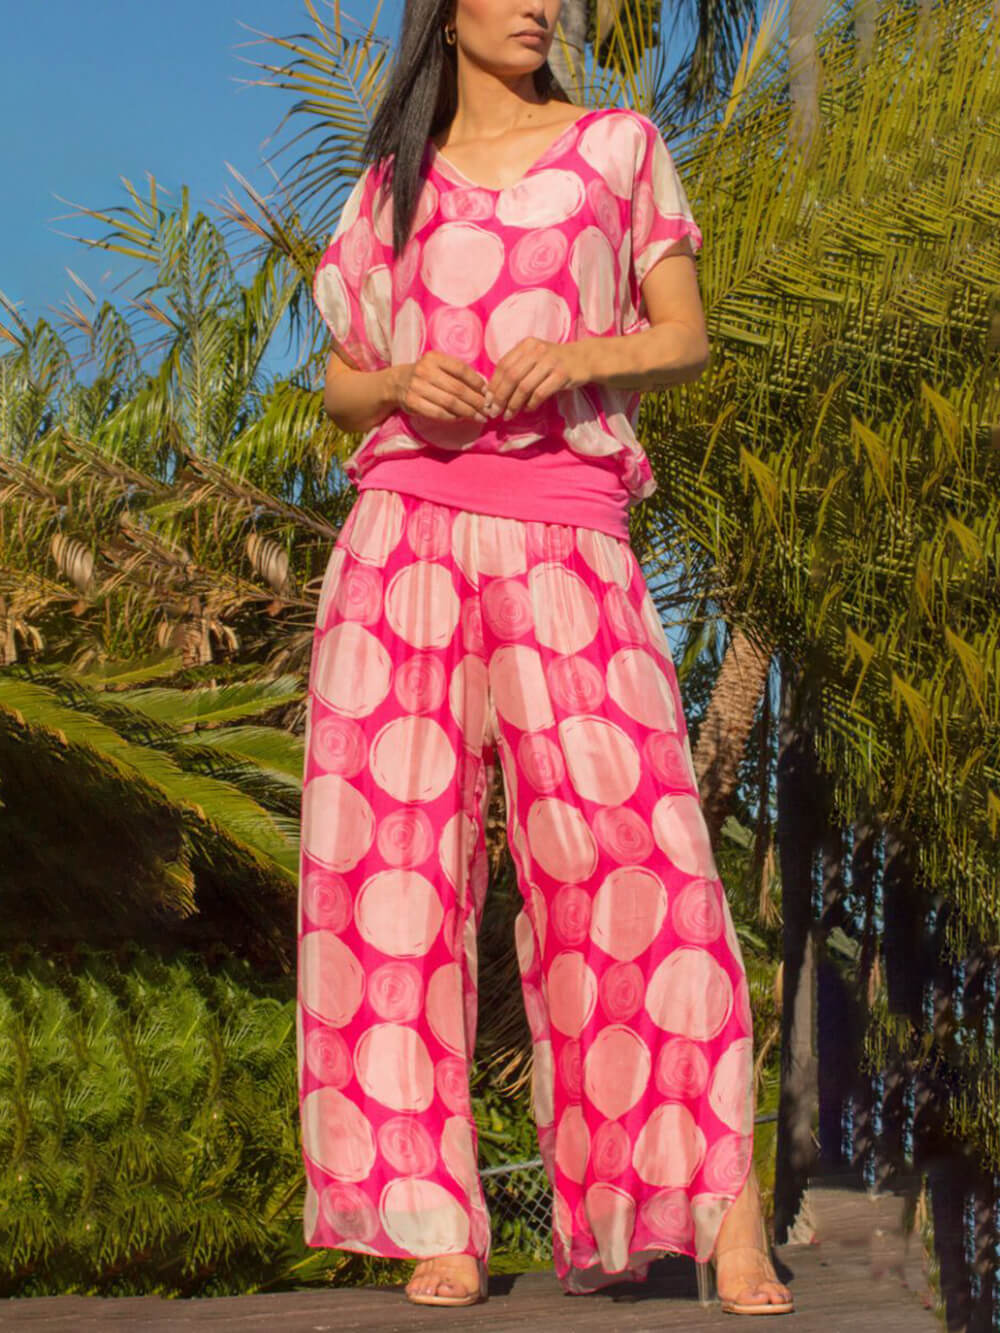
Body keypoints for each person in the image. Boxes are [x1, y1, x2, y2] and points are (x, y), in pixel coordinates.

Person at [298, 0, 795, 1317]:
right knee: (394, 881)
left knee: (644, 860)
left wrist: (577, 352)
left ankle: (723, 1210)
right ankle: (433, 1212)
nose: (539, 5)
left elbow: (683, 335)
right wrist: (402, 383)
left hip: (569, 538)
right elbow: (341, 382)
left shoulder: (616, 148)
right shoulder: (391, 185)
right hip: (401, 539)